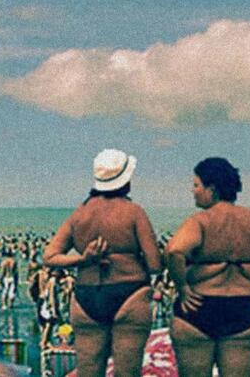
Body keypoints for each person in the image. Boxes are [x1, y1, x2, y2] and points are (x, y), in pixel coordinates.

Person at [167, 157, 250, 377]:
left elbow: (174, 251)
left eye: (196, 185)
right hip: (244, 308)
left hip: (199, 307)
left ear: (211, 189)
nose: (193, 191)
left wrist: (182, 288)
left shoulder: (200, 221)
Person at [43, 149, 162, 377]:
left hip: (86, 296)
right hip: (130, 293)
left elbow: (49, 257)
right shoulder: (134, 212)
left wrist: (83, 259)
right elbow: (155, 264)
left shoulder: (80, 214)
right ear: (126, 179)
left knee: (88, 372)